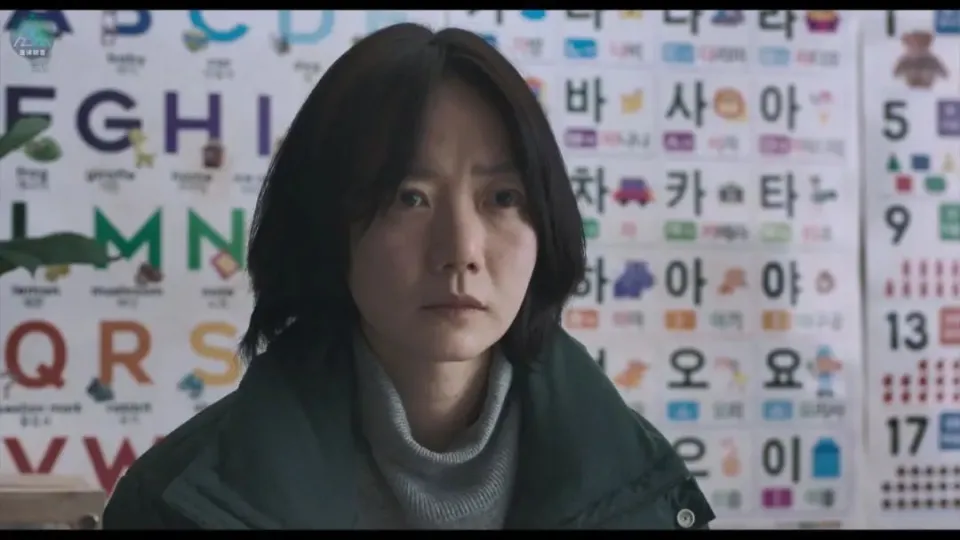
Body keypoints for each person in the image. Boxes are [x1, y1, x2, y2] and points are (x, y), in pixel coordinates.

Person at [102, 23, 714, 530]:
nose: (461, 250)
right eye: (408, 197)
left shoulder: (642, 492)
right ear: (325, 223)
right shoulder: (176, 506)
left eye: (503, 198)